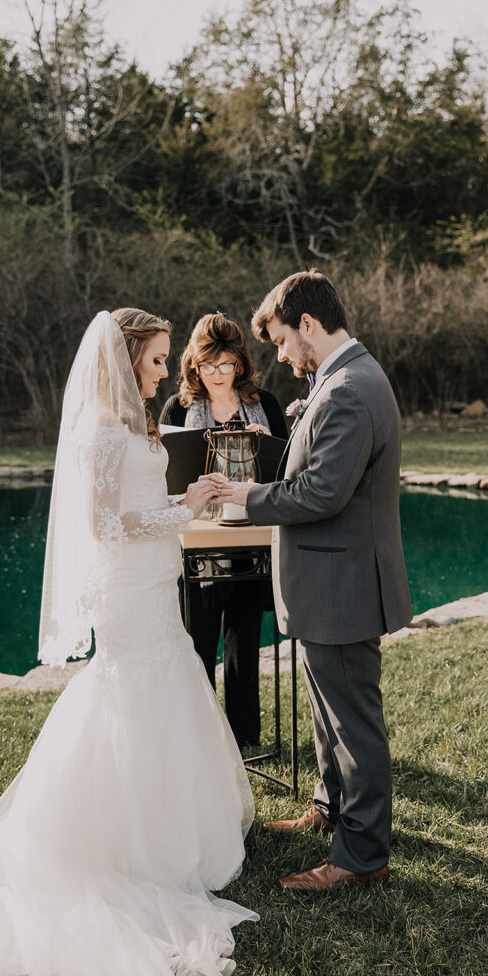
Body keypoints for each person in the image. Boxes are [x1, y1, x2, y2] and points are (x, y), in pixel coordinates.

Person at [0, 308, 258, 976]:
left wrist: (175, 503)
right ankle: (125, 843)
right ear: (128, 356)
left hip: (154, 583)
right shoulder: (103, 429)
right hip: (128, 594)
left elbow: (135, 504)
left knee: (166, 688)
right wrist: (183, 510)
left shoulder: (132, 422)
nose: (168, 371)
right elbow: (102, 525)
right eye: (160, 358)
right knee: (131, 694)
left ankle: (172, 829)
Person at [214, 271, 412, 892]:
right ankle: (330, 807)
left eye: (279, 340)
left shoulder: (350, 387)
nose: (278, 355)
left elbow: (324, 491)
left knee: (353, 720)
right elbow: (320, 464)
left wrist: (247, 493)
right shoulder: (338, 379)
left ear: (307, 325)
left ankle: (360, 856)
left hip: (343, 582)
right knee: (329, 712)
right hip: (332, 580)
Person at [159, 313, 287, 750]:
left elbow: (285, 468)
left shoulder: (265, 404)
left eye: (226, 365)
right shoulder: (177, 408)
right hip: (195, 542)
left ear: (240, 364)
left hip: (250, 536)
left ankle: (245, 738)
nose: (216, 375)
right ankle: (202, 743)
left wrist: (261, 443)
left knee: (244, 638)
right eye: (207, 366)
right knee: (197, 642)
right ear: (194, 365)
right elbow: (165, 479)